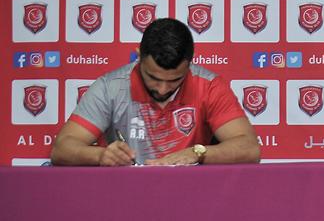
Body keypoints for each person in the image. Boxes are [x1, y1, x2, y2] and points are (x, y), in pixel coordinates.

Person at [50, 18, 260, 166]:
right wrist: (101, 156)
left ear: (189, 65)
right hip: (121, 193)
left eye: (175, 80)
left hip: (192, 193)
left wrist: (197, 152)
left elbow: (249, 148)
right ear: (138, 56)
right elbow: (62, 149)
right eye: (153, 78)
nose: (162, 89)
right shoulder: (110, 87)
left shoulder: (209, 85)